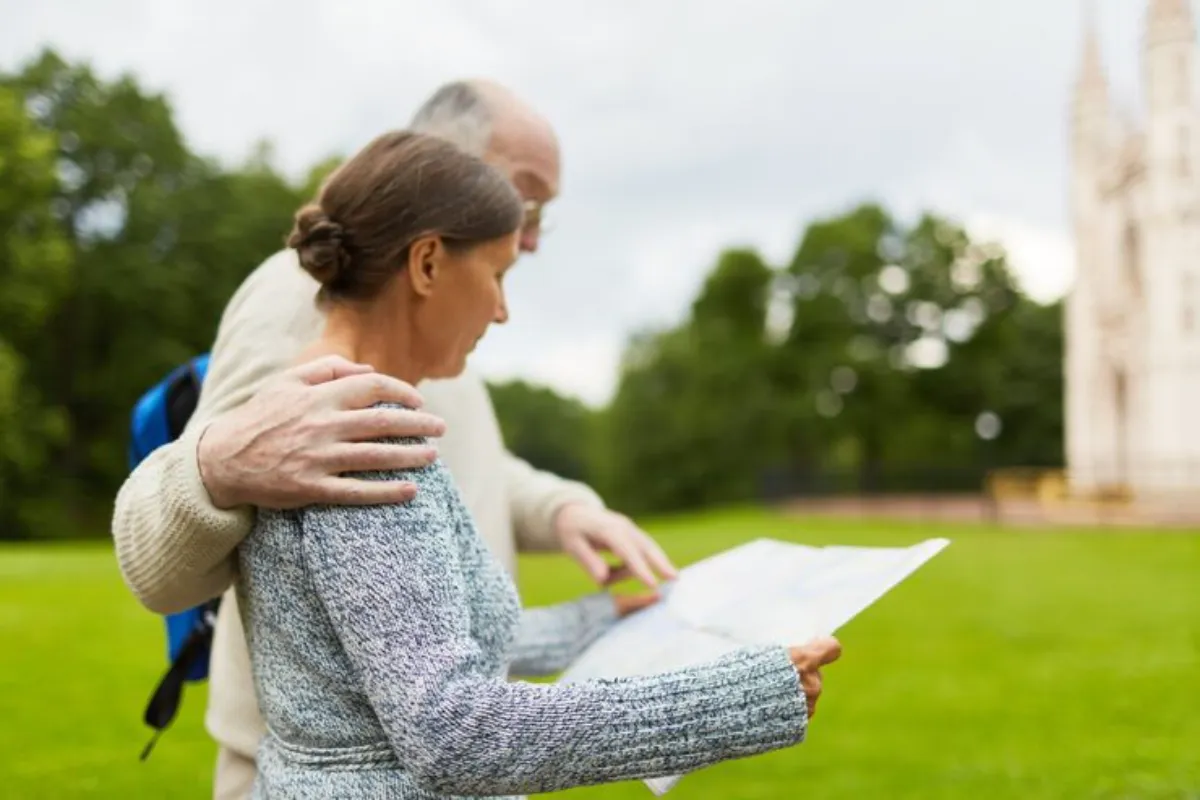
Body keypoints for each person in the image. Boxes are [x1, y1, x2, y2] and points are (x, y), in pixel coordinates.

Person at [111, 80, 678, 799]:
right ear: (439, 171)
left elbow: (465, 465)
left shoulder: (428, 318)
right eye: (527, 200)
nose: (531, 235)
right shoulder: (298, 305)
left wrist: (567, 509)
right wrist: (216, 466)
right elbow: (163, 550)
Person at [238, 127, 842, 798]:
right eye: (496, 274)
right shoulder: (356, 440)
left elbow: (416, 635)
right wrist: (742, 700)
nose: (501, 310)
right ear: (428, 263)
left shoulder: (313, 413)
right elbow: (455, 733)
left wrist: (603, 616)